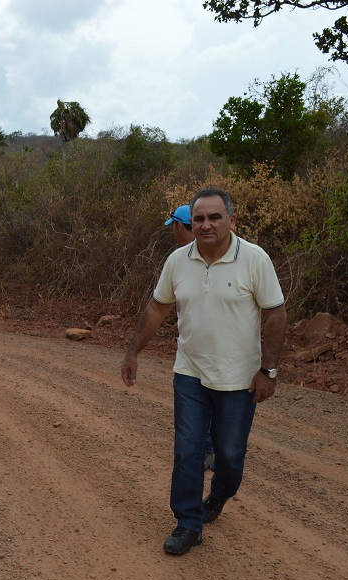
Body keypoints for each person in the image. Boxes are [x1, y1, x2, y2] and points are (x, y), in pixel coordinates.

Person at [122, 188, 286, 554]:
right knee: (189, 449)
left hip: (239, 380)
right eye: (199, 219)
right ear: (190, 223)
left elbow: (275, 314)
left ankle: (219, 496)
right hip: (190, 373)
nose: (206, 225)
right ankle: (188, 523)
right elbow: (156, 309)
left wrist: (268, 371)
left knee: (228, 455)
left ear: (232, 220)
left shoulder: (255, 260)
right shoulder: (178, 261)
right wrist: (133, 352)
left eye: (215, 217)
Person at [165, 205, 215, 473]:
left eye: (173, 226)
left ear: (178, 226)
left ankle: (208, 451)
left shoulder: (180, 258)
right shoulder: (183, 258)